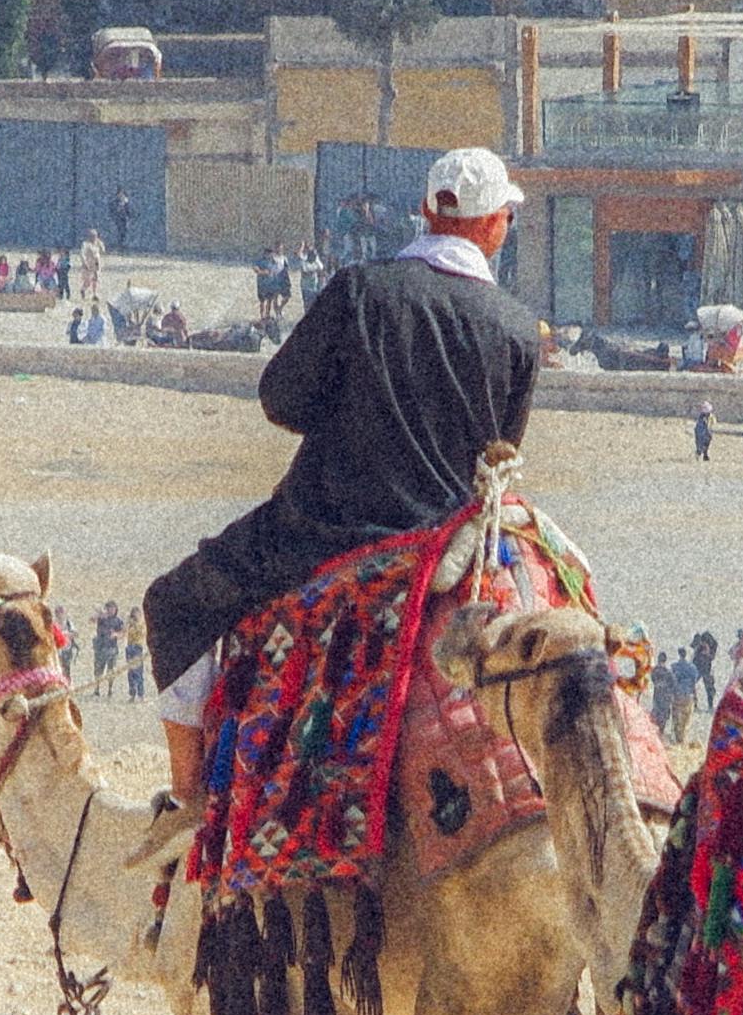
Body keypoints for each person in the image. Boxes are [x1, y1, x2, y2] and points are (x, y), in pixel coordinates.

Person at [140, 145, 543, 812]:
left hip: (317, 534)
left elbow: (281, 401)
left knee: (174, 604)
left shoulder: (360, 290)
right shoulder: (516, 329)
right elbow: (500, 452)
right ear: (496, 224)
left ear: (424, 210)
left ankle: (186, 800)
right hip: (439, 547)